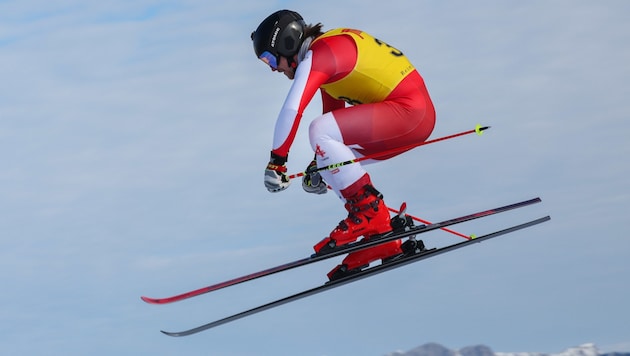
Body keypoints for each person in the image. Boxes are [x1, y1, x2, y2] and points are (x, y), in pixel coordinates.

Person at [251, 10, 436, 281]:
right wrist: (320, 165)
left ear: (287, 43)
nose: (271, 68)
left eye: (269, 58)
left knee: (318, 130)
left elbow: (294, 107)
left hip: (408, 113)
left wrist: (277, 162)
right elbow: (334, 119)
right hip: (411, 117)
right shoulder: (327, 50)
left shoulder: (320, 53)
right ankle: (382, 235)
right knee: (327, 159)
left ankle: (371, 214)